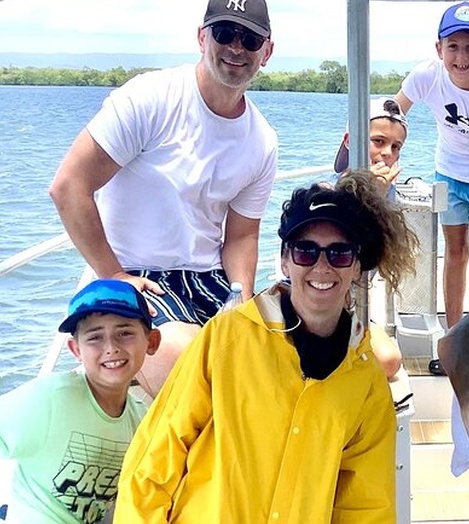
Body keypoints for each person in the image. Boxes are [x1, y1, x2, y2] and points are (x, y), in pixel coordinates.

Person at [114, 171, 419, 523]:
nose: (322, 266)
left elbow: (366, 507)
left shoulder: (365, 380)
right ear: (286, 260)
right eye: (306, 252)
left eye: (339, 253)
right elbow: (157, 454)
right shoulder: (227, 338)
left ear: (358, 267)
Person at [48, 0, 278, 399]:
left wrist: (240, 295)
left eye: (250, 38)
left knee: (274, 355)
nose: (237, 47)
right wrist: (114, 275)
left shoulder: (262, 140)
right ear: (201, 37)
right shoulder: (150, 99)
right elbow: (69, 186)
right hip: (135, 272)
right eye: (225, 33)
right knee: (187, 359)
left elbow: (241, 237)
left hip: (208, 281)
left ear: (267, 51)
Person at [394, 1, 469, 372]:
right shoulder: (426, 76)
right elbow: (394, 114)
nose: (462, 57)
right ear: (439, 49)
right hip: (447, 172)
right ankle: (455, 339)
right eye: (454, 47)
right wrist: (378, 154)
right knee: (455, 253)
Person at [0, 280, 160, 524]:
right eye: (95, 337)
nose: (111, 348)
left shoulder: (141, 419)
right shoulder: (50, 398)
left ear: (152, 342)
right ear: (76, 349)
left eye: (125, 333)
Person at [332, 96, 409, 377]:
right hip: (312, 304)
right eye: (378, 142)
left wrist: (379, 201)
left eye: (395, 146)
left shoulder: (391, 196)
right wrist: (369, 198)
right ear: (351, 140)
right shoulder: (327, 191)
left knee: (390, 360)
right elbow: (341, 258)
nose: (387, 152)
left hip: (349, 308)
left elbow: (380, 261)